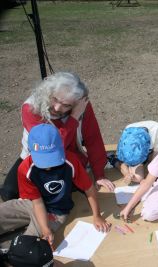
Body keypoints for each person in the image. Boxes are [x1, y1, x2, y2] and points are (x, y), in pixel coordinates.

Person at [0, 72, 114, 202]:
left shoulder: (82, 106)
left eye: (66, 105)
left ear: (76, 103)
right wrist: (73, 118)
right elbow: (50, 146)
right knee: (9, 193)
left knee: (60, 191)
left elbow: (93, 139)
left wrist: (99, 175)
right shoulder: (31, 108)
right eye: (55, 99)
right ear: (48, 92)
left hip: (70, 157)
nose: (57, 107)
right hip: (36, 157)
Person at [0, 124, 111, 249]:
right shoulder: (24, 169)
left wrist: (97, 216)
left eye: (52, 158)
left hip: (56, 212)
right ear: (30, 150)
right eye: (42, 160)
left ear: (61, 147)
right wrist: (45, 228)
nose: (48, 165)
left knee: (26, 246)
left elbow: (89, 189)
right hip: (32, 204)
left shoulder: (71, 161)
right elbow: (37, 203)